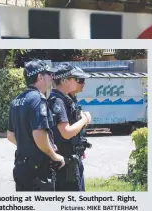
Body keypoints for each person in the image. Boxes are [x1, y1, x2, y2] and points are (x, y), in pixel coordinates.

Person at [7, 60, 65, 191]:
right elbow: (39, 134)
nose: (51, 78)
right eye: (49, 74)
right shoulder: (38, 99)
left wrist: (33, 145)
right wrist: (53, 155)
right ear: (40, 77)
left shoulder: (16, 101)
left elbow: (10, 135)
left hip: (21, 165)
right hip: (38, 169)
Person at [48, 63, 92, 191]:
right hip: (65, 162)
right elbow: (66, 132)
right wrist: (85, 120)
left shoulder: (64, 99)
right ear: (64, 80)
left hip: (70, 159)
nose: (80, 82)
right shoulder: (58, 101)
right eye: (77, 79)